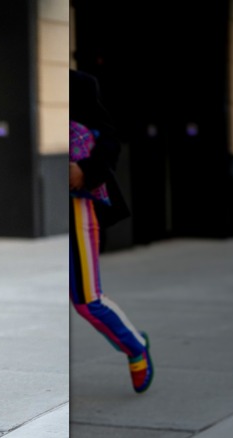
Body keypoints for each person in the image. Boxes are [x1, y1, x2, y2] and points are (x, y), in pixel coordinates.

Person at [69, 69, 153, 394]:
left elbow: (109, 139)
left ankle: (135, 347)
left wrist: (84, 170)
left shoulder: (79, 84)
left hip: (77, 204)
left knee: (86, 300)